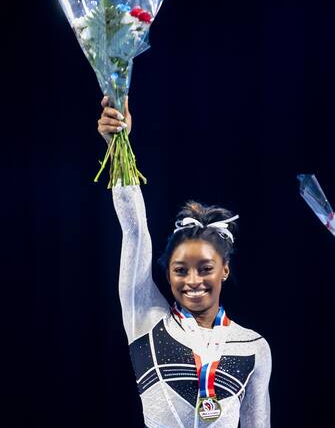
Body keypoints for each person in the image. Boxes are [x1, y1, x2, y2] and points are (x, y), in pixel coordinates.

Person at [97, 96, 272, 428]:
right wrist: (119, 144)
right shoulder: (146, 320)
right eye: (180, 270)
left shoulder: (253, 347)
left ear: (225, 270)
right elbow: (134, 233)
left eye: (205, 269)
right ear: (168, 273)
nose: (193, 280)